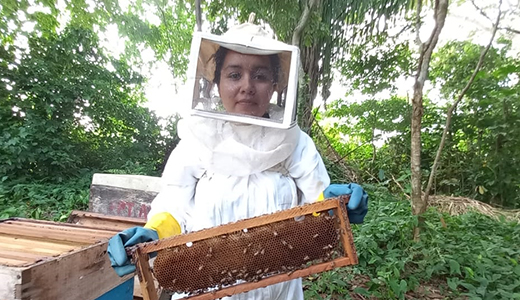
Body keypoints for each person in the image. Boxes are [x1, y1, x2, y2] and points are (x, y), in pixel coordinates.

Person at [108, 19, 368, 300]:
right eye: (234, 75)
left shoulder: (296, 144)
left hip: (279, 294)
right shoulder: (195, 143)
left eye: (259, 75)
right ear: (216, 82)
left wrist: (332, 205)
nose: (247, 86)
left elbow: (317, 202)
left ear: (275, 86)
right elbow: (174, 205)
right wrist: (153, 233)